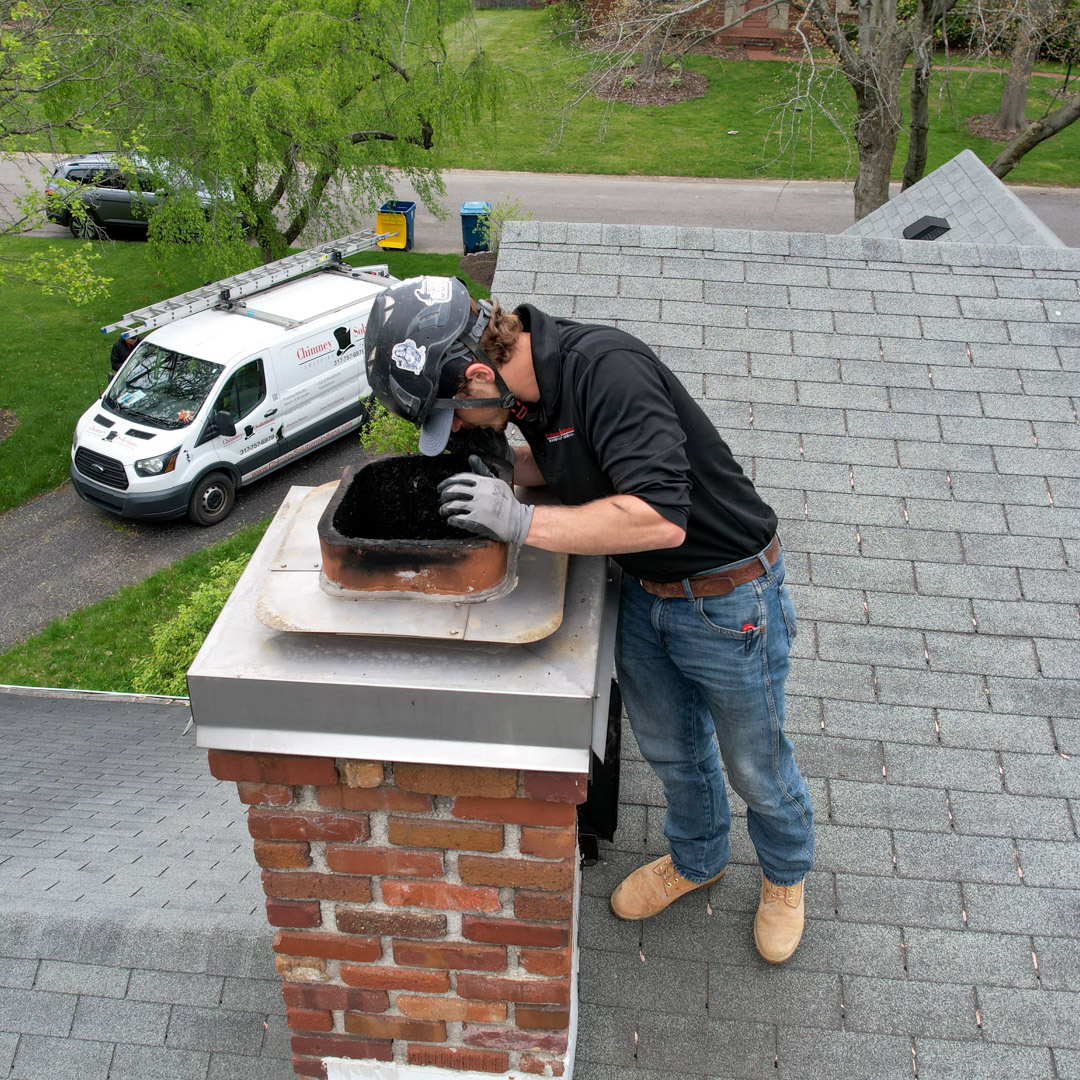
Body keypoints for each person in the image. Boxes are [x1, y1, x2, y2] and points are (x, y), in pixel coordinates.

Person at [364, 276, 814, 963]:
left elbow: (662, 519)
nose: (453, 429)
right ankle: (699, 859)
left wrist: (517, 521)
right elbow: (569, 463)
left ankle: (785, 876)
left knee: (753, 763)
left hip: (728, 600)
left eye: (451, 414)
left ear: (479, 373)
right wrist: (504, 477)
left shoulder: (607, 372)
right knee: (672, 751)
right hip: (644, 594)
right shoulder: (527, 396)